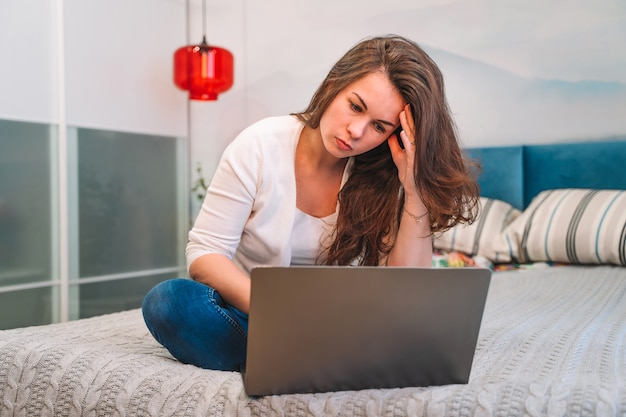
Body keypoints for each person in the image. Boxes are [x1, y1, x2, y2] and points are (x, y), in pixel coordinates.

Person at [142, 34, 480, 372]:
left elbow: (407, 287)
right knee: (169, 301)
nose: (357, 131)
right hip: (256, 311)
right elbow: (205, 254)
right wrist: (276, 312)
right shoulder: (258, 145)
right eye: (355, 106)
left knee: (410, 320)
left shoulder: (385, 174)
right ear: (335, 84)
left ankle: (287, 358)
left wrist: (414, 187)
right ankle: (318, 357)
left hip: (343, 322)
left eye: (379, 126)